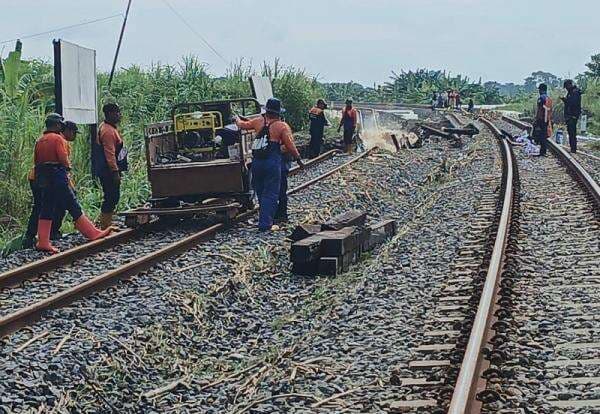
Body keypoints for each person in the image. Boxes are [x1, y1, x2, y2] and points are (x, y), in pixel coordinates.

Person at [33, 113, 112, 253]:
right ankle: (91, 232)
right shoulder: (57, 138)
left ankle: (43, 241)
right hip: (57, 176)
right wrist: (67, 166)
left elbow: (37, 160)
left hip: (43, 177)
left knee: (46, 207)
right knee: (72, 203)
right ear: (57, 125)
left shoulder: (40, 140)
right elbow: (62, 157)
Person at [236, 98, 303, 231]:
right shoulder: (281, 126)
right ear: (278, 113)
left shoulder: (258, 122)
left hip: (257, 163)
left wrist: (236, 118)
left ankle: (265, 218)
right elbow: (290, 146)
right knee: (271, 193)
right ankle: (266, 224)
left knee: (260, 191)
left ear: (266, 111)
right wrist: (299, 160)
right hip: (272, 163)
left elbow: (242, 125)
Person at [95, 103, 127, 229]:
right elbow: (110, 153)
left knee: (112, 195)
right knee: (111, 196)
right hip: (108, 171)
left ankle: (105, 222)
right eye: (117, 113)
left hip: (108, 169)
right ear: (110, 114)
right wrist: (115, 172)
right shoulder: (108, 131)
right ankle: (105, 225)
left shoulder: (109, 128)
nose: (119, 115)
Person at [561, 79, 582, 153]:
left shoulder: (575, 92)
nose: (566, 88)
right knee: (570, 132)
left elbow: (573, 103)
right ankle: (572, 148)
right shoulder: (571, 92)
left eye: (566, 86)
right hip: (570, 115)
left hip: (572, 116)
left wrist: (565, 100)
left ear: (569, 85)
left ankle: (573, 149)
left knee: (572, 132)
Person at [533, 83, 553, 157]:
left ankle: (542, 152)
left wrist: (536, 119)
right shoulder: (549, 98)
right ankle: (543, 151)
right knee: (544, 135)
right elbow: (550, 110)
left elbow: (539, 110)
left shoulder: (541, 98)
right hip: (547, 119)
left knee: (540, 136)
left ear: (541, 90)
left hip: (541, 119)